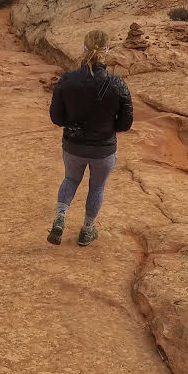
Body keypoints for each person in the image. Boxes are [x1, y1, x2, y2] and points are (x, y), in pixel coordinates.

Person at [47, 30, 133, 246]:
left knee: (70, 179)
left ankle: (60, 218)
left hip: (74, 146)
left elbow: (56, 117)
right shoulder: (117, 83)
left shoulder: (68, 79)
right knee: (96, 188)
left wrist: (73, 124)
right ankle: (87, 231)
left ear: (84, 48)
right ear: (107, 50)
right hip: (103, 149)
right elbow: (125, 123)